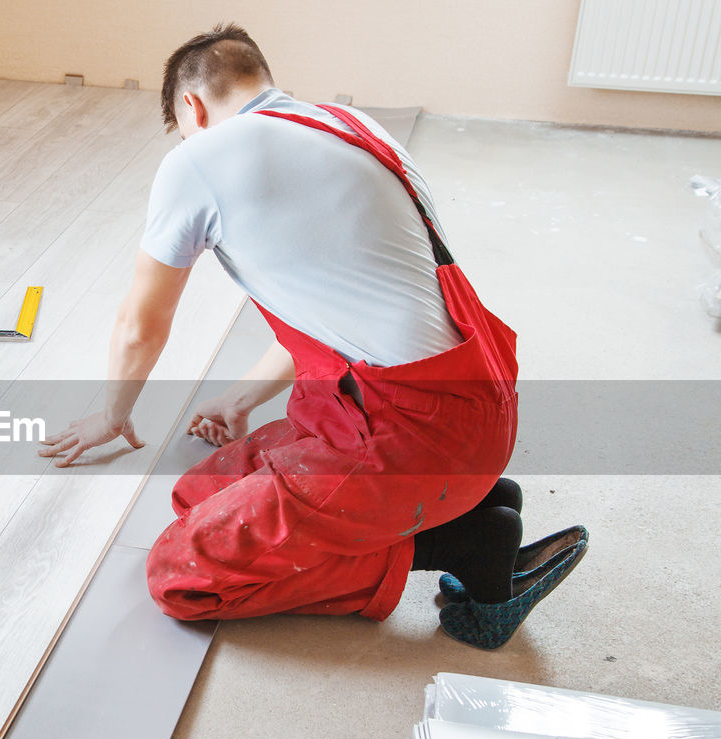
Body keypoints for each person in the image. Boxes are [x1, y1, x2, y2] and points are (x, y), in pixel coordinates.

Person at [38, 23, 588, 649]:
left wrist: (111, 415)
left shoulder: (198, 159)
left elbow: (142, 324)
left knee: (180, 574)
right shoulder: (351, 128)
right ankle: (472, 500)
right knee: (200, 492)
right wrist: (241, 399)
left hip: (412, 434)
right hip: (471, 411)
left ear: (190, 107)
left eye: (184, 125)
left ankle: (465, 541)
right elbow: (334, 319)